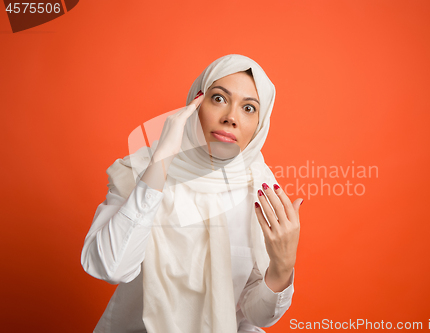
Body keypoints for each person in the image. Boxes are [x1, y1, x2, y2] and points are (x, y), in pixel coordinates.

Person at [81, 54, 303, 333]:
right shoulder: (139, 171)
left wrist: (282, 269)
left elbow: (254, 315)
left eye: (249, 108)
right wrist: (161, 162)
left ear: (260, 125)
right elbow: (110, 268)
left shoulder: (260, 191)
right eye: (219, 98)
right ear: (196, 102)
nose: (231, 117)